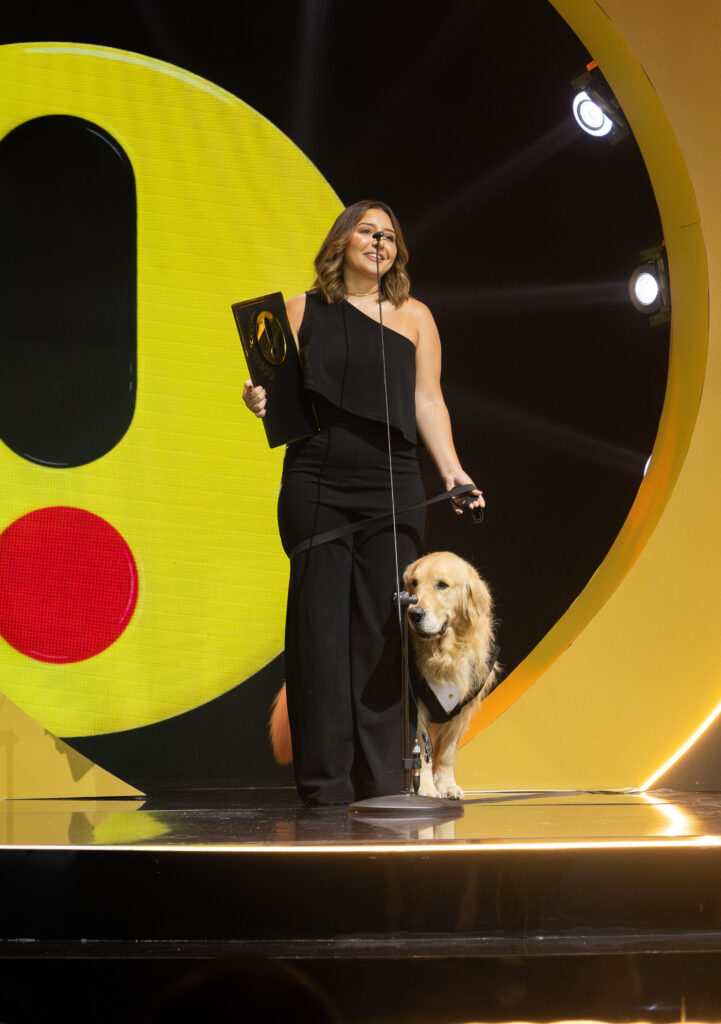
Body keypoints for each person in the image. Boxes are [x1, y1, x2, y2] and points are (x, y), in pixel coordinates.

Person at [243, 200, 483, 805]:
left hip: (394, 484)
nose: (379, 242)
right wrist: (258, 398)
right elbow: (278, 394)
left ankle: (385, 783)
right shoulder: (301, 311)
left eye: (390, 236)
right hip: (317, 480)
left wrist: (454, 472)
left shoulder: (416, 317)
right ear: (341, 240)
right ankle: (324, 788)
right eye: (367, 231)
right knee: (319, 637)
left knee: (385, 636)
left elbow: (428, 401)